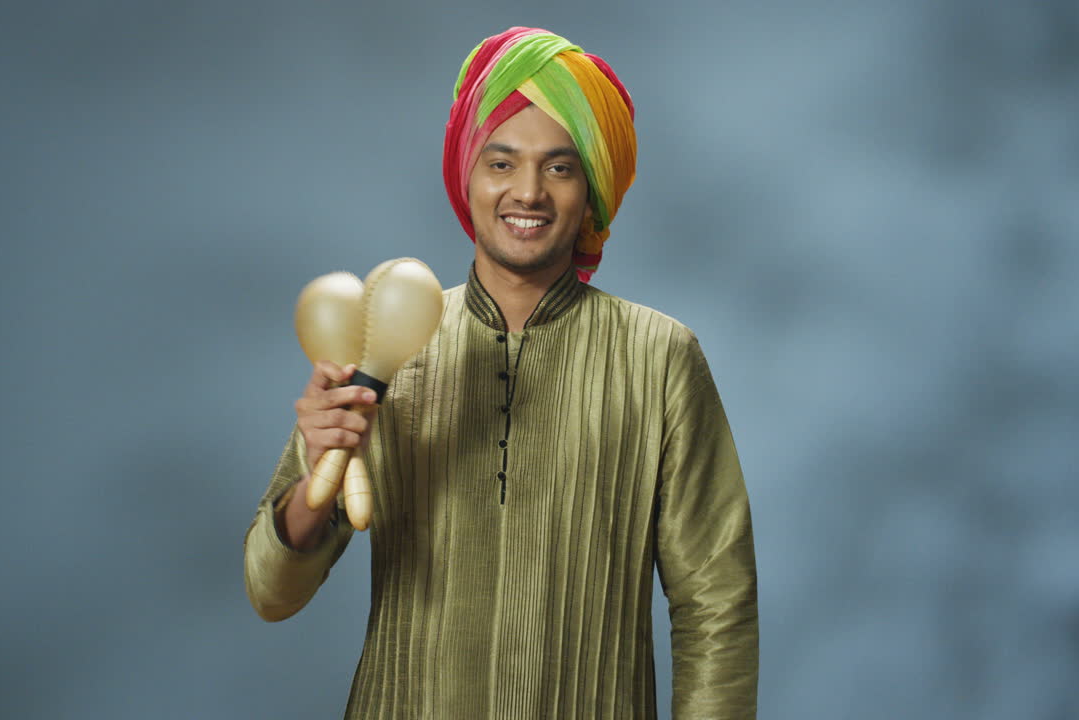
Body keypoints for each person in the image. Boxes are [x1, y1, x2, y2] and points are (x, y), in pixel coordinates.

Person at [243, 26, 758, 719]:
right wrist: (318, 478)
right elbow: (273, 592)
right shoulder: (386, 343)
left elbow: (716, 604)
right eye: (501, 163)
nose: (529, 193)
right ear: (469, 176)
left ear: (591, 190)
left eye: (560, 167)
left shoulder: (660, 357)